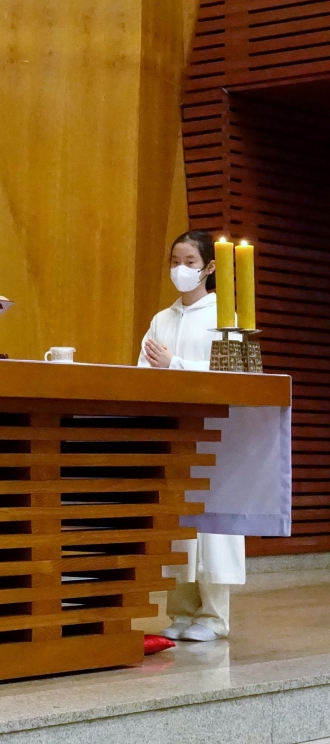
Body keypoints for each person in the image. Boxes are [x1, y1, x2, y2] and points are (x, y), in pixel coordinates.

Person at [138, 229, 244, 641]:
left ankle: (214, 617)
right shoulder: (161, 320)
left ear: (209, 267)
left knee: (212, 529)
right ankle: (181, 611)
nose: (179, 270)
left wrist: (176, 364)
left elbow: (231, 374)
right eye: (174, 262)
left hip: (214, 434)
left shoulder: (224, 318)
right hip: (175, 435)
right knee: (178, 524)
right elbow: (144, 371)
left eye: (189, 262)